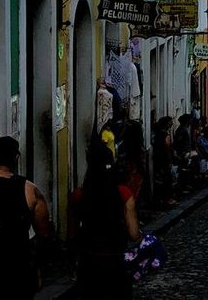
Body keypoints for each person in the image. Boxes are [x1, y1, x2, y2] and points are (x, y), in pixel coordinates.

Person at [68, 141, 140, 299]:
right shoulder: (123, 194)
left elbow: (72, 235)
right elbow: (134, 234)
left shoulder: (78, 195)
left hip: (89, 262)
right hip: (115, 260)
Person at [0, 135, 50, 299]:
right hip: (18, 267)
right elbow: (43, 236)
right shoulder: (30, 190)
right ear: (16, 157)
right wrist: (39, 270)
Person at [152, 117, 175, 207]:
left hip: (158, 159)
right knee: (167, 180)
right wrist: (170, 159)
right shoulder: (165, 135)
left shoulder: (157, 134)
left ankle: (160, 199)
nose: (172, 124)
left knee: (159, 180)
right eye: (170, 122)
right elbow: (168, 148)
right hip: (164, 160)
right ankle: (167, 199)